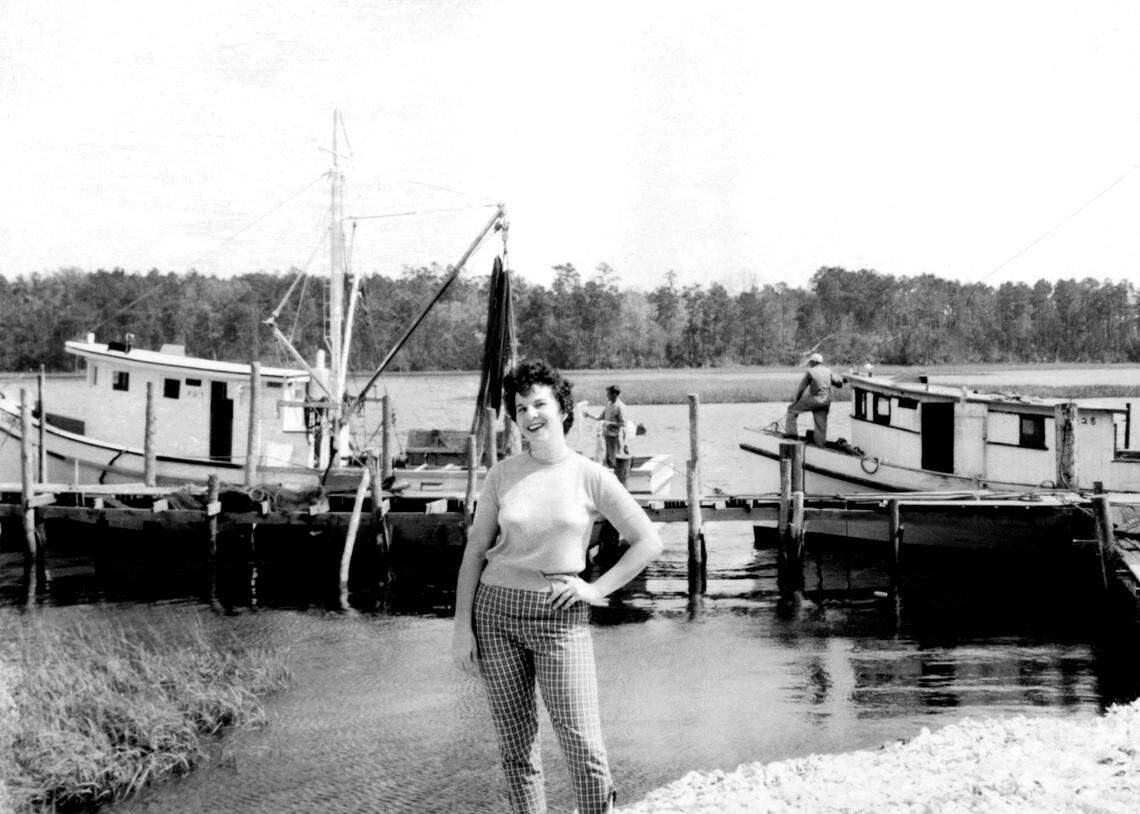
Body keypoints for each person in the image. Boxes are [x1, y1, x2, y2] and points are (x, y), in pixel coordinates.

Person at [452, 359, 663, 814]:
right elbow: (474, 553)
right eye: (522, 406)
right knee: (517, 750)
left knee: (584, 746)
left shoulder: (591, 475)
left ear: (563, 409)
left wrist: (596, 588)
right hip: (494, 616)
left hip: (561, 618)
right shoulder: (501, 474)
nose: (531, 414)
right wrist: (460, 630)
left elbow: (648, 541)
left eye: (540, 403)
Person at [785, 352, 847, 446]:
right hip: (826, 402)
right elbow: (839, 384)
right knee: (820, 425)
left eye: (810, 362)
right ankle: (820, 445)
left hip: (814, 400)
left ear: (814, 362)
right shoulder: (828, 371)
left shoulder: (810, 371)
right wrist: (843, 381)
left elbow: (801, 388)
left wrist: (796, 401)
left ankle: (791, 434)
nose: (809, 363)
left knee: (791, 410)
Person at [587, 385, 628, 469]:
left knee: (615, 461)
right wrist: (588, 415)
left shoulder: (620, 406)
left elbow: (623, 424)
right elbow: (600, 418)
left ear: (615, 394)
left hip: (615, 438)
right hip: (607, 437)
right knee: (608, 460)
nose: (607, 395)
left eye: (609, 394)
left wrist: (609, 423)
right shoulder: (608, 404)